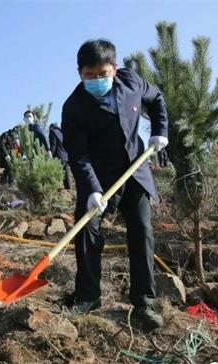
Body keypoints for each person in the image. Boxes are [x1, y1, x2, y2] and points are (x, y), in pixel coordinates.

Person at [62, 39, 168, 330]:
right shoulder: (74, 107)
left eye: (102, 73)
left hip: (135, 169)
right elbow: (78, 155)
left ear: (115, 68)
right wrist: (92, 188)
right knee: (87, 232)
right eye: (89, 75)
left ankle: (144, 303)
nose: (96, 80)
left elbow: (157, 98)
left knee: (142, 232)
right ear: (80, 73)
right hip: (97, 176)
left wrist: (160, 131)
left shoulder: (131, 81)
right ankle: (88, 297)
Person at [48, 123, 72, 189]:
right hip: (66, 156)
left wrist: (50, 153)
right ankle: (68, 188)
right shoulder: (61, 132)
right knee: (66, 174)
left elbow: (53, 144)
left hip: (58, 156)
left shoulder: (52, 132)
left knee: (56, 173)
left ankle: (55, 188)